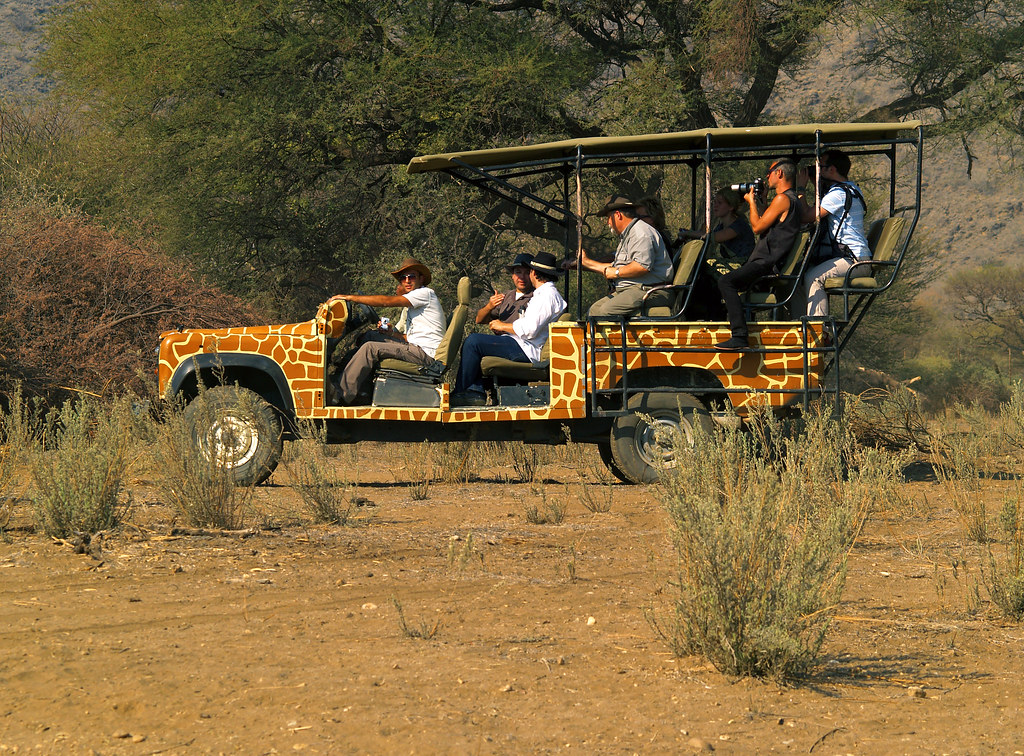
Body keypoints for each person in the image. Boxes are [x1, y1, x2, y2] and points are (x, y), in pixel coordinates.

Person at [451, 252, 567, 407]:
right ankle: (472, 391)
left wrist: (502, 326)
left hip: (528, 349)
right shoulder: (544, 294)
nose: (525, 275)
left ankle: (468, 393)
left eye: (529, 271)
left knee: (474, 342)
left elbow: (530, 329)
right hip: (522, 344)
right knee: (476, 342)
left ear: (534, 273)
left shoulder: (546, 296)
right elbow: (481, 319)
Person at [328, 258, 447, 405]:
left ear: (421, 279)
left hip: (425, 355)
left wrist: (351, 298)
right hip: (418, 349)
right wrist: (391, 334)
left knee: (370, 348)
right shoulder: (416, 303)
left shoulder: (425, 293)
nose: (407, 281)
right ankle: (358, 389)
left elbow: (387, 302)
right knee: (370, 336)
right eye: (404, 278)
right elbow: (410, 337)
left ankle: (340, 395)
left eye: (412, 277)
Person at [715, 158, 804, 351]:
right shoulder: (792, 199)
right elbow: (770, 220)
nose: (767, 177)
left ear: (779, 173)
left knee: (725, 281)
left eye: (769, 172)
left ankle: (739, 336)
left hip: (766, 263)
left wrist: (751, 203)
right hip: (770, 261)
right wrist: (761, 201)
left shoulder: (782, 199)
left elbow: (757, 227)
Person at [565, 195, 673, 318]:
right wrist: (584, 263)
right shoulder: (629, 234)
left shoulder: (641, 233)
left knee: (606, 311)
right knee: (594, 311)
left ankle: (629, 332)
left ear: (618, 215)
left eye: (608, 218)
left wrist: (616, 273)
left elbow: (642, 267)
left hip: (652, 290)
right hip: (634, 289)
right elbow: (615, 267)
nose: (608, 223)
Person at [799, 150, 871, 317]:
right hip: (853, 257)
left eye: (820, 167)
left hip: (855, 261)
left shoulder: (838, 194)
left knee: (813, 277)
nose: (816, 170)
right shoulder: (850, 188)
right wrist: (817, 185)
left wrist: (801, 188)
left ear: (831, 169)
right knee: (800, 275)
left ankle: (818, 330)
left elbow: (807, 217)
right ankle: (799, 325)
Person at [678, 188, 756, 261]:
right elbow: (705, 240)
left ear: (731, 206)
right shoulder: (721, 226)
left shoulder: (739, 225)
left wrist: (688, 233)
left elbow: (712, 237)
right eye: (714, 202)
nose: (715, 205)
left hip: (744, 266)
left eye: (720, 203)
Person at [476, 253, 535, 324]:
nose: (522, 277)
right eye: (518, 272)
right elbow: (479, 320)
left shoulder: (537, 297)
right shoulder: (506, 296)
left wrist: (502, 327)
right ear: (512, 275)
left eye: (527, 273)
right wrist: (489, 306)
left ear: (533, 275)